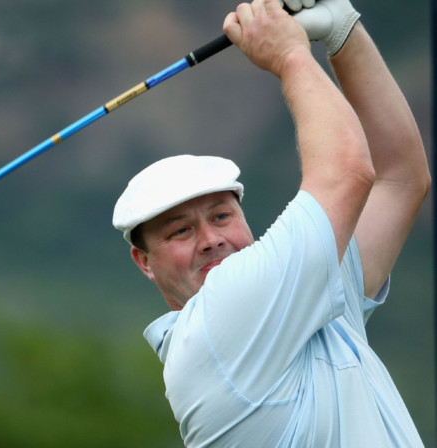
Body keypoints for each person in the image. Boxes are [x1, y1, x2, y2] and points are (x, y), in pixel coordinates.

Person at [111, 0, 431, 446]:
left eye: (221, 216)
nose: (210, 240)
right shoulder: (216, 324)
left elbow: (401, 179)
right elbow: (347, 175)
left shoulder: (299, 292)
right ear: (144, 261)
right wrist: (290, 55)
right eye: (180, 231)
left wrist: (343, 33)